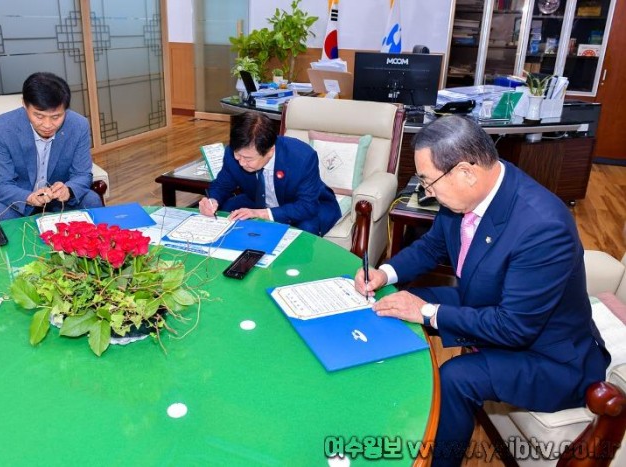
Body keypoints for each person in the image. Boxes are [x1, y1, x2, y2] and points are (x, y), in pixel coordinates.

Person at [354, 115, 609, 465]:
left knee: (456, 377)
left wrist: (426, 312)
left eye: (428, 181)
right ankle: (385, 406)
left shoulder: (543, 227)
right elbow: (432, 248)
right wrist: (384, 273)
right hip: (492, 305)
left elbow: (515, 327)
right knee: (392, 303)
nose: (426, 192)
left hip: (550, 356)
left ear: (465, 172)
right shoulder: (467, 194)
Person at [0, 72, 102, 223]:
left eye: (56, 117)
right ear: (24, 104)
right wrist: (29, 197)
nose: (48, 125)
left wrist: (68, 190)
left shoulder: (78, 126)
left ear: (65, 109)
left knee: (91, 199)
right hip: (21, 197)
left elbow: (83, 174)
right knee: (2, 211)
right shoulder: (1, 129)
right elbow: (2, 184)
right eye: (39, 116)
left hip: (59, 199)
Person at [198, 111, 341, 236]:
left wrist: (261, 213)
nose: (241, 162)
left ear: (270, 151)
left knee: (307, 227)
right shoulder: (234, 152)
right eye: (238, 155)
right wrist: (213, 201)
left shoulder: (302, 157)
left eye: (248, 159)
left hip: (303, 204)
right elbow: (222, 185)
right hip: (258, 199)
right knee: (228, 209)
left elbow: (307, 206)